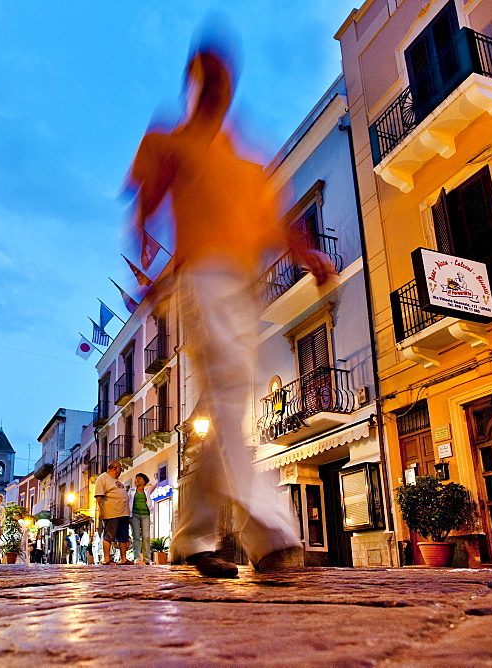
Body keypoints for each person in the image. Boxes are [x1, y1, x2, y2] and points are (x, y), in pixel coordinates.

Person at [126, 39, 336, 577]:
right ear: (193, 80)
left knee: (226, 415)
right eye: (208, 74)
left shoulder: (248, 164)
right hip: (202, 278)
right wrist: (145, 250)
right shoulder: (172, 142)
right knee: (224, 403)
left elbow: (276, 222)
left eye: (225, 76)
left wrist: (307, 252)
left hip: (243, 288)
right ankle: (271, 534)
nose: (218, 84)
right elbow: (146, 199)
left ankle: (192, 539)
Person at [95, 460, 132, 565]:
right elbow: (99, 496)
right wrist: (101, 510)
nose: (121, 470)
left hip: (123, 513)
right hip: (111, 512)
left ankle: (123, 558)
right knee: (109, 535)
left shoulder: (118, 481)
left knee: (123, 536)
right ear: (114, 468)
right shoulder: (103, 478)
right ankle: (106, 558)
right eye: (120, 468)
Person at [128, 474, 156, 565]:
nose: (137, 480)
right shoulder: (131, 491)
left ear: (144, 480)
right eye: (136, 478)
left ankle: (147, 559)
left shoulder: (147, 490)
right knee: (136, 537)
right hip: (134, 515)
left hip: (145, 515)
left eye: (140, 478)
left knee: (146, 537)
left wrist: (146, 484)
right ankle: (137, 558)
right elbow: (127, 501)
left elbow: (155, 482)